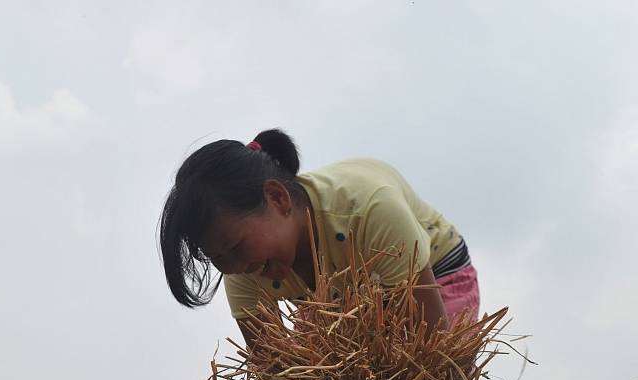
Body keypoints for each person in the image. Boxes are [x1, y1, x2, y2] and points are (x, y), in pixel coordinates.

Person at [158, 128, 479, 346]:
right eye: (219, 259)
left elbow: (432, 345)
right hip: (339, 299)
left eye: (234, 248)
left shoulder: (369, 207)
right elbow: (277, 378)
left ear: (277, 198)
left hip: (433, 274)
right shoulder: (243, 265)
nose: (235, 267)